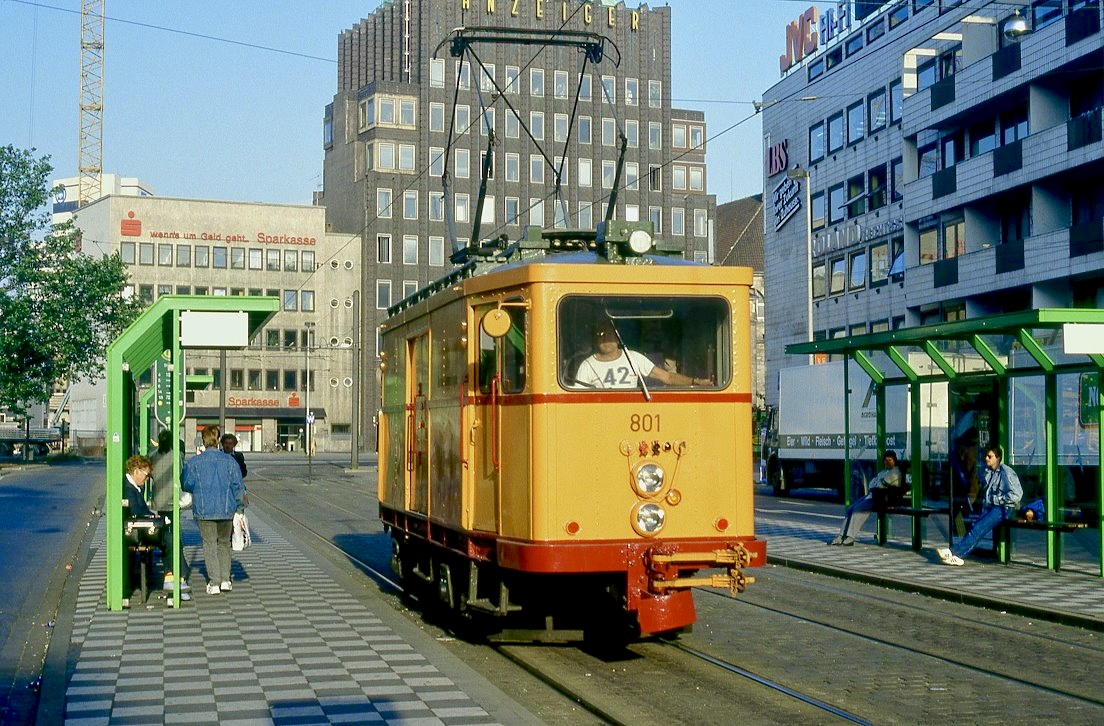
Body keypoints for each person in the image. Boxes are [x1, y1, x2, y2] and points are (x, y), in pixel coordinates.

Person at [183, 425, 246, 595]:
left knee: (209, 544)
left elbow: (186, 484)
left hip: (204, 510)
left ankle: (214, 582)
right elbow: (238, 487)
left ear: (203, 441)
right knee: (224, 543)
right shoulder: (230, 461)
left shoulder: (195, 462)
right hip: (227, 510)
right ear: (218, 440)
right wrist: (240, 509)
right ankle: (226, 579)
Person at [937, 445, 1022, 566]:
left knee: (978, 528)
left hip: (1003, 508)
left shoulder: (1006, 472)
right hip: (992, 507)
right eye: (986, 456)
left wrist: (997, 499)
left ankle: (955, 553)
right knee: (975, 527)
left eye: (990, 456)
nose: (986, 458)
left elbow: (1016, 495)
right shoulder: (989, 472)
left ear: (997, 458)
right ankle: (954, 553)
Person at [574, 319, 709, 389]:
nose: (606, 339)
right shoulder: (587, 365)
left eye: (610, 335)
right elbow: (578, 399)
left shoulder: (633, 357)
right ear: (595, 340)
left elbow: (667, 377)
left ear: (618, 337)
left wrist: (695, 382)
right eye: (601, 335)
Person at [827, 451, 902, 546]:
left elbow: (879, 484)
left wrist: (878, 484)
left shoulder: (895, 472)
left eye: (890, 460)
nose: (887, 462)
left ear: (894, 460)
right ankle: (841, 536)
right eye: (886, 460)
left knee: (857, 510)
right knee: (851, 509)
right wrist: (877, 484)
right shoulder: (884, 471)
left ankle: (850, 537)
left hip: (881, 499)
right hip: (873, 495)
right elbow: (873, 484)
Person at [149, 430, 192, 597]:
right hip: (173, 502)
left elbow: (150, 470)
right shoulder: (177, 455)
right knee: (174, 539)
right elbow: (182, 475)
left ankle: (170, 574)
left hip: (159, 503)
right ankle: (178, 576)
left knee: (166, 537)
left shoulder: (153, 455)